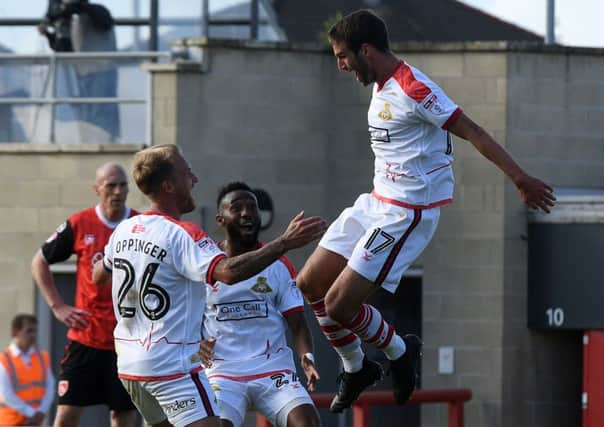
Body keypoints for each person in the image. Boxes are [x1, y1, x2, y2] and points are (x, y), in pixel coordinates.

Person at [295, 9, 557, 413]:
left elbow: (473, 131)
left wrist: (520, 177)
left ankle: (401, 351)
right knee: (309, 283)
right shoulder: (379, 83)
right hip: (375, 201)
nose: (340, 65)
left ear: (366, 50)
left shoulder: (413, 87)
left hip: (405, 212)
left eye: (343, 56)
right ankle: (356, 368)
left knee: (338, 305)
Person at [92, 144, 326, 427]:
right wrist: (285, 242)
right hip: (172, 368)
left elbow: (98, 276)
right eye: (186, 173)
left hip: (131, 366)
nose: (194, 180)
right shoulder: (184, 234)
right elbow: (226, 272)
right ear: (169, 185)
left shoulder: (124, 229)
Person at [199, 182, 320, 427]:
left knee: (307, 423)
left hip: (272, 370)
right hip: (222, 372)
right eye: (237, 208)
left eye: (251, 207)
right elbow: (182, 318)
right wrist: (194, 344)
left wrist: (306, 357)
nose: (246, 213)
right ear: (220, 219)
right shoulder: (204, 263)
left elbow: (297, 323)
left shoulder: (280, 265)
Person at [31, 163, 138, 427]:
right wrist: (58, 306)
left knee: (123, 415)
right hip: (85, 338)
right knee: (66, 415)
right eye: (110, 185)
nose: (117, 191)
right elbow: (39, 262)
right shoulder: (80, 223)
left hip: (125, 342)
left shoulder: (139, 224)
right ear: (97, 189)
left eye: (122, 185)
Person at [39, 0, 120, 141]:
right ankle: (92, 142)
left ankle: (107, 142)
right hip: (83, 75)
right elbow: (64, 48)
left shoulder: (96, 11)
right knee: (87, 116)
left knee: (101, 114)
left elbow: (104, 22)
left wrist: (72, 8)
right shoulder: (75, 19)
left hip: (101, 73)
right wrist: (48, 34)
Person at [0, 314, 55, 426]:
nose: (33, 335)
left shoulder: (43, 357)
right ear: (15, 332)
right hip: (10, 422)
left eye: (35, 331)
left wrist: (41, 412)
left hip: (34, 422)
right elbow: (5, 394)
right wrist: (32, 413)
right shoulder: (4, 360)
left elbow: (50, 387)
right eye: (29, 331)